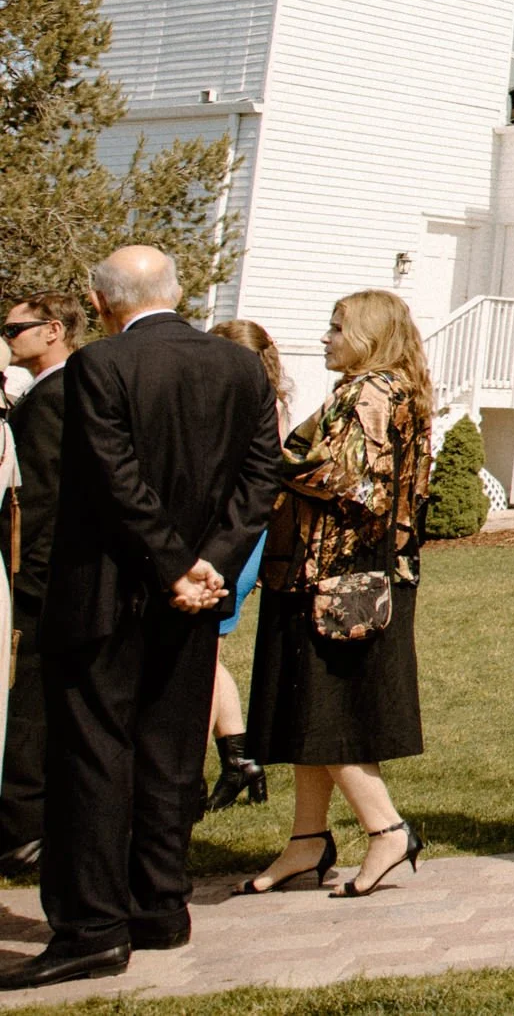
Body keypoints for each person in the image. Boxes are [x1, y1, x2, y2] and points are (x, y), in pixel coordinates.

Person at [0, 248, 280, 991]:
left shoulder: (100, 366)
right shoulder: (239, 366)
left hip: (107, 593)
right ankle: (159, 903)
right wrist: (209, 563)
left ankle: (93, 924)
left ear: (98, 302)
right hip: (192, 595)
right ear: (178, 291)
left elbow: (113, 476)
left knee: (92, 755)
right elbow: (261, 478)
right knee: (168, 747)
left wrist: (173, 564)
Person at [238, 290, 434, 903]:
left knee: (329, 711)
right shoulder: (394, 389)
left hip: (334, 576)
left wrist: (264, 453)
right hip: (356, 574)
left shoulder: (369, 392)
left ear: (369, 335)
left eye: (336, 327)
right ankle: (308, 842)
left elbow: (348, 480)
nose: (325, 338)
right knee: (309, 707)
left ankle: (387, 829)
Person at [0, 293, 81, 876]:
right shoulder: (45, 390)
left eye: (15, 328)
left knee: (27, 702)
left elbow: (42, 501)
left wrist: (26, 576)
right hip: (42, 575)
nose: (7, 338)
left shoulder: (55, 396)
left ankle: (23, 829)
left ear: (53, 330)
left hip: (36, 578)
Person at [201, 321, 287, 817]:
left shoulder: (251, 408)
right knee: (208, 654)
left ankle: (188, 776)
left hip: (233, 542)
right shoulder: (263, 402)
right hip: (240, 539)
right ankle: (240, 760)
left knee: (200, 656)